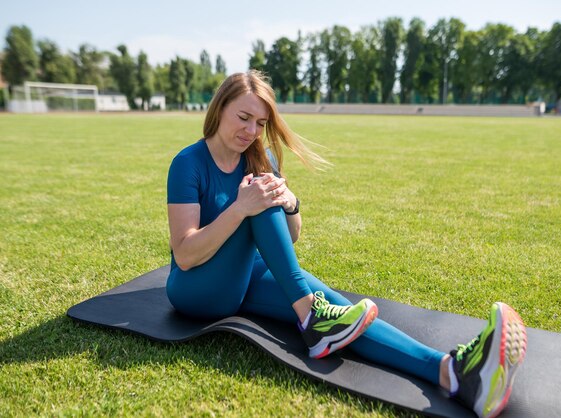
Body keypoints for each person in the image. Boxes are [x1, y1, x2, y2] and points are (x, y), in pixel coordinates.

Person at [165, 70, 527, 418]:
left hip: (247, 274)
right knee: (260, 201)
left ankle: (453, 374)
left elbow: (290, 236)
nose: (251, 131)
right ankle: (311, 317)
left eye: (260, 124)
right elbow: (184, 254)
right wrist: (243, 207)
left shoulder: (261, 156)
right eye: (244, 117)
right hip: (197, 289)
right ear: (220, 108)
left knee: (340, 309)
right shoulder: (188, 163)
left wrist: (290, 202)